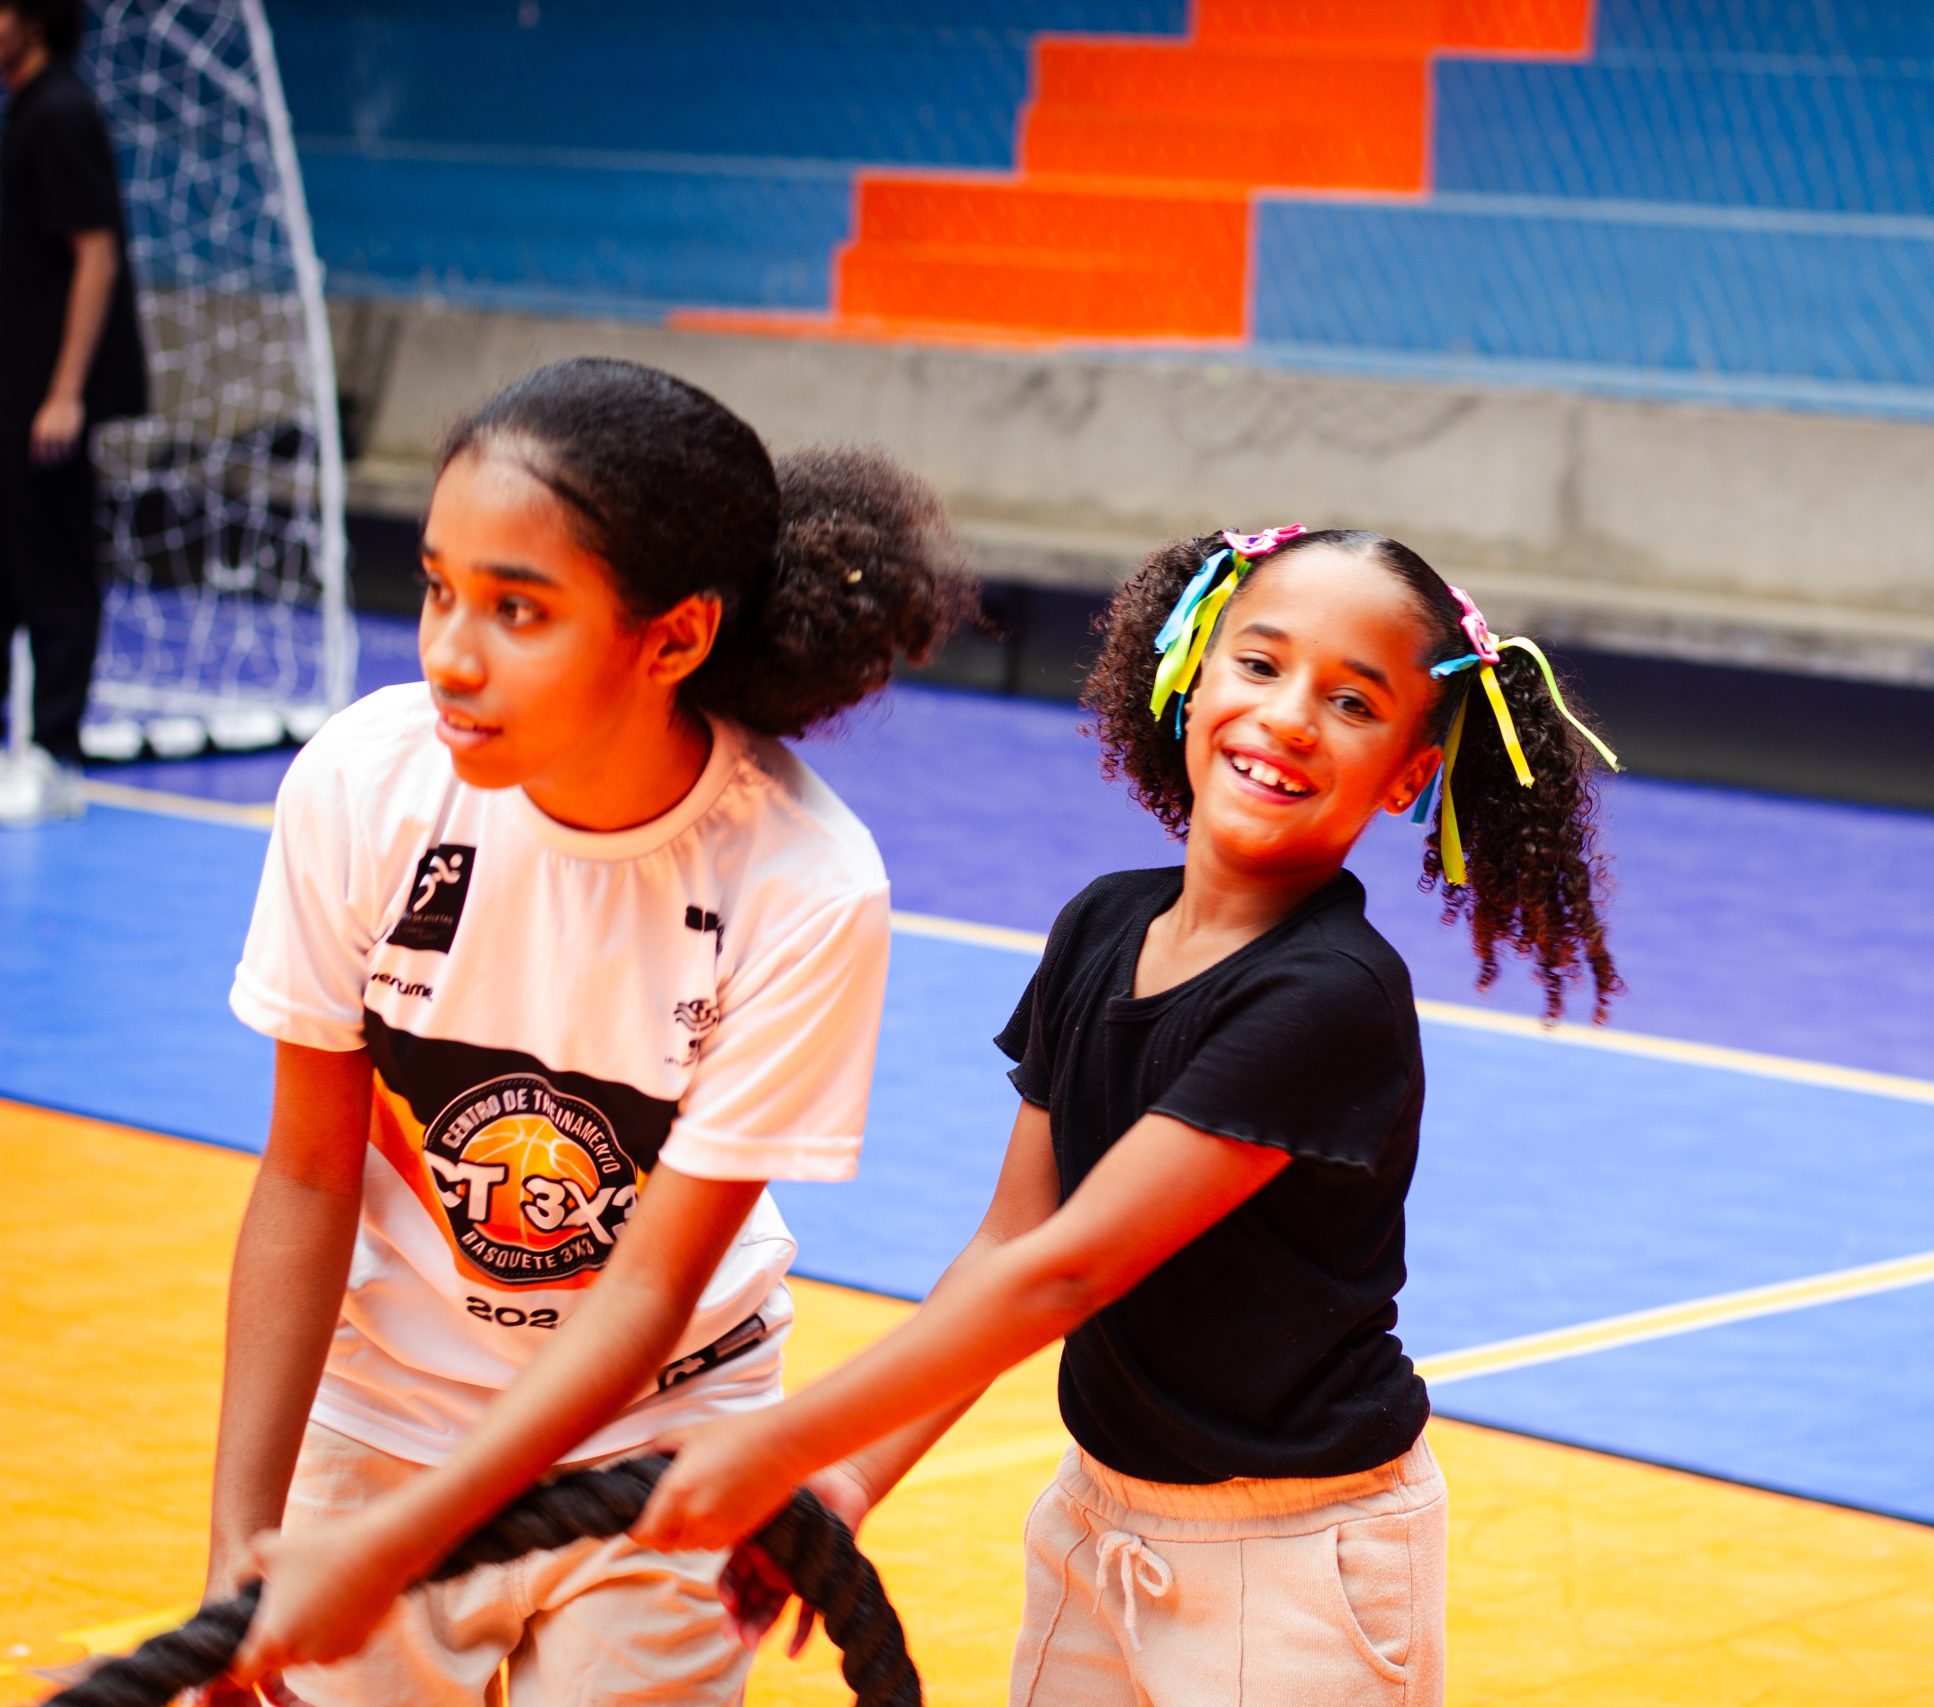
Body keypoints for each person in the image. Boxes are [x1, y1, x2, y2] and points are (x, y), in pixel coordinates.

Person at [629, 526, 1620, 1705]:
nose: (1289, 716)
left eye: (1352, 701)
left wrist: (775, 1442)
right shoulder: (1101, 925)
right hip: (1098, 1520)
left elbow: (1066, 1273)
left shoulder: (1329, 996)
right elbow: (1011, 1240)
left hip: (1298, 1565)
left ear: (1408, 773)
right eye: (1260, 664)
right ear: (1193, 672)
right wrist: (846, 1481)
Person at [205, 356, 967, 1705]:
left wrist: (392, 1544)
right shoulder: (365, 784)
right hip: (386, 1416)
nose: (450, 651)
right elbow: (311, 1172)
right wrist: (238, 1546)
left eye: (518, 608)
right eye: (438, 586)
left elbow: (644, 1294)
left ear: (671, 638)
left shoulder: (803, 884)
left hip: (660, 1436)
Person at [0, 0, 148, 825]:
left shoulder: (61, 111)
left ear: (35, 19)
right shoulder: (25, 109)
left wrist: (64, 391)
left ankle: (56, 756)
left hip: (43, 397)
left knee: (55, 572)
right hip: (13, 388)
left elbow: (96, 253)